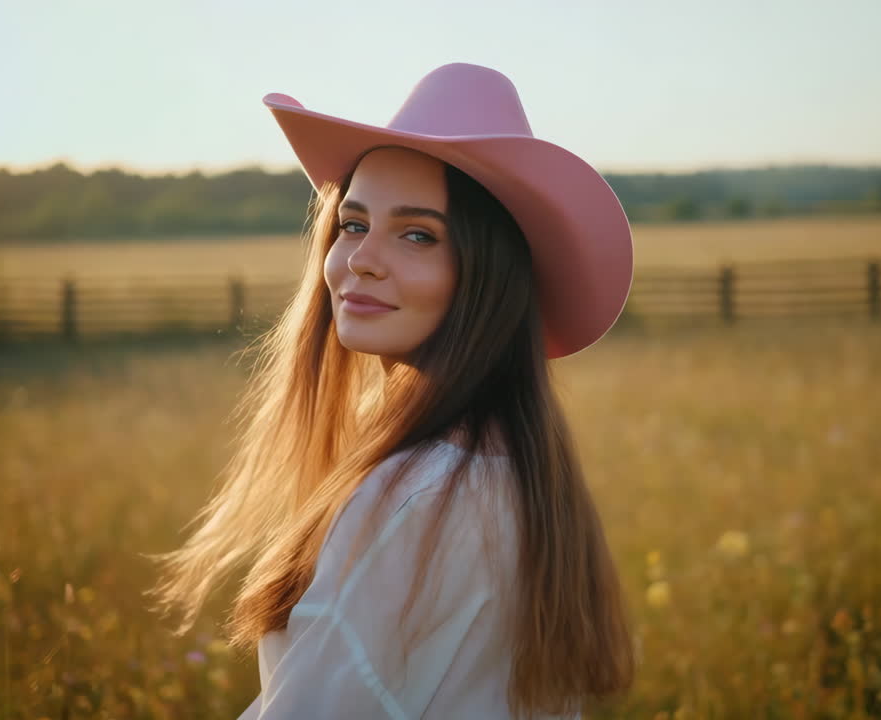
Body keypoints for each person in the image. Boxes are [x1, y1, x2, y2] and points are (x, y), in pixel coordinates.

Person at [146, 62, 636, 719]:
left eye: (416, 234)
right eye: (352, 224)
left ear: (486, 277)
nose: (361, 259)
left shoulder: (419, 495)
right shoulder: (511, 470)